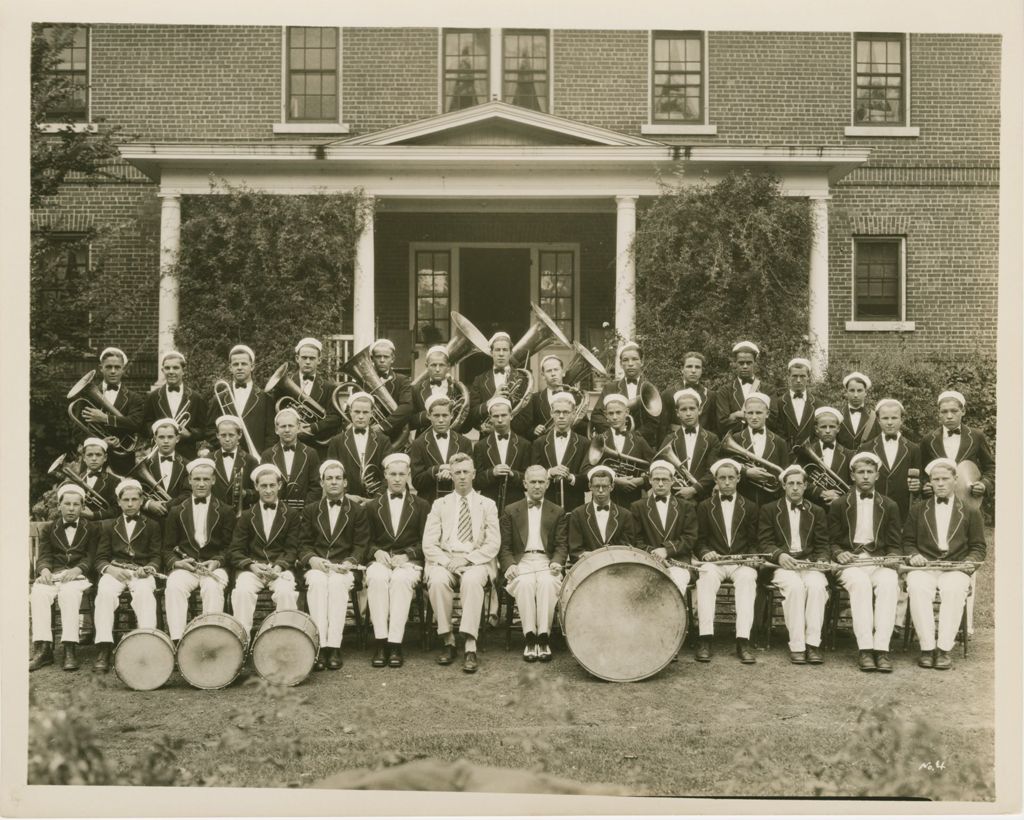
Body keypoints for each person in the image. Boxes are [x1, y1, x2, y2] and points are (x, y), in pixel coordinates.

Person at [903, 458, 987, 671]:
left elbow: (978, 547)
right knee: (917, 586)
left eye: (945, 479)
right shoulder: (917, 509)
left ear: (955, 480)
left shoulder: (970, 510)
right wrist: (913, 555)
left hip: (956, 566)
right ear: (929, 482)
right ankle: (927, 648)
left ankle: (943, 649)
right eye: (935, 479)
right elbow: (908, 542)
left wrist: (969, 563)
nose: (940, 484)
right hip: (926, 567)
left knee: (955, 588)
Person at [421, 453, 500, 674]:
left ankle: (470, 644)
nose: (462, 477)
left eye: (466, 472)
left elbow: (494, 544)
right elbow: (429, 544)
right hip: (446, 560)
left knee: (473, 581)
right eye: (458, 473)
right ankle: (448, 640)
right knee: (436, 581)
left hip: (475, 560)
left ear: (474, 474)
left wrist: (466, 560)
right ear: (451, 476)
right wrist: (449, 562)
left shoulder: (488, 505)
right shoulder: (439, 504)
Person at [828, 451, 903, 672]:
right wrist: (839, 553)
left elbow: (895, 543)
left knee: (890, 583)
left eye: (870, 472)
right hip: (850, 563)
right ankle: (865, 649)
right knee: (860, 584)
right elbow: (830, 541)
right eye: (861, 472)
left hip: (878, 561)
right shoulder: (840, 504)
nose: (866, 477)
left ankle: (882, 649)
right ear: (852, 476)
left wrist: (891, 557)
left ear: (877, 476)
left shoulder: (889, 505)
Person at [297, 460, 369, 671]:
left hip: (344, 568)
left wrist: (350, 562)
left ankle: (335, 646)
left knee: (337, 584)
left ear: (346, 482)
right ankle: (319, 645)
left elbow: (361, 544)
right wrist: (312, 560)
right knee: (318, 583)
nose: (334, 482)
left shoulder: (356, 510)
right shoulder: (311, 510)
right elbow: (303, 544)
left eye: (338, 478)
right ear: (322, 483)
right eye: (329, 478)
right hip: (319, 567)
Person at [363, 453, 431, 668]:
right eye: (393, 474)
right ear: (385, 475)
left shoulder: (421, 505)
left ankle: (395, 643)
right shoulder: (373, 506)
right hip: (382, 560)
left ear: (409, 475)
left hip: (409, 562)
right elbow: (365, 541)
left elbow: (426, 542)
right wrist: (375, 552)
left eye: (402, 474)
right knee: (376, 577)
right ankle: (380, 641)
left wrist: (408, 555)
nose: (397, 479)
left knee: (401, 580)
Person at [757, 465, 829, 664]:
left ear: (806, 486)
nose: (795, 488)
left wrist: (822, 559)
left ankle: (813, 644)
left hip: (809, 563)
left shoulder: (818, 511)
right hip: (782, 565)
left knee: (817, 587)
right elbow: (764, 542)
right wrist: (779, 556)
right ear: (784, 486)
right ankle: (797, 645)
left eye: (799, 484)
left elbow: (823, 544)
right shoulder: (770, 509)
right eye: (791, 484)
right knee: (795, 588)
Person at [693, 459, 761, 664]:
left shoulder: (750, 506)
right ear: (715, 480)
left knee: (748, 579)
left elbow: (755, 541)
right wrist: (705, 553)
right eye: (722, 478)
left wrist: (751, 556)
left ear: (739, 479)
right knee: (705, 577)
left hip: (741, 563)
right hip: (715, 562)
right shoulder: (705, 506)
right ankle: (705, 638)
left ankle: (743, 640)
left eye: (731, 477)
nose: (727, 482)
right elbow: (699, 540)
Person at [91, 478, 163, 672]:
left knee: (145, 593)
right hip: (116, 571)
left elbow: (157, 556)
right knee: (104, 593)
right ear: (119, 502)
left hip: (140, 572)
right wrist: (111, 570)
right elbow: (100, 558)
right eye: (126, 500)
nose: (130, 504)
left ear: (141, 501)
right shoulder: (108, 526)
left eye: (134, 499)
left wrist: (148, 568)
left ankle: (148, 644)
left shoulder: (153, 525)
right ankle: (104, 647)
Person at [162, 457, 235, 644]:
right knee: (174, 586)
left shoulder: (226, 511)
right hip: (186, 567)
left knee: (212, 587)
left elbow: (231, 547)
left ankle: (209, 640)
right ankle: (178, 641)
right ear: (189, 481)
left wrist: (217, 561)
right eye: (197, 479)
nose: (201, 484)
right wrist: (177, 563)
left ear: (213, 480)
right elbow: (167, 548)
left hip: (214, 567)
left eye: (205, 479)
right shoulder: (176, 511)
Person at [499, 466, 569, 662]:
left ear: (547, 484)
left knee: (547, 583)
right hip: (521, 561)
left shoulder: (557, 511)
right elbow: (504, 546)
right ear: (525, 483)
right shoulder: (511, 510)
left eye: (541, 482)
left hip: (546, 561)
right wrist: (510, 565)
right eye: (533, 482)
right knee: (525, 583)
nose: (537, 486)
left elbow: (562, 545)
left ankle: (543, 637)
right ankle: (530, 637)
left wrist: (557, 562)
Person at [29, 484, 98, 672]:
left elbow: (91, 556)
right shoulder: (49, 528)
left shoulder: (91, 528)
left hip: (79, 576)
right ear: (59, 506)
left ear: (82, 507)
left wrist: (78, 569)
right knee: (39, 592)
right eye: (67, 503)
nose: (71, 508)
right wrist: (43, 570)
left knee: (69, 593)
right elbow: (44, 556)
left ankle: (69, 648)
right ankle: (43, 649)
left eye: (76, 504)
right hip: (54, 574)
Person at [228, 463, 300, 635]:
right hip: (253, 570)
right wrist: (252, 566)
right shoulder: (246, 516)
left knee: (286, 592)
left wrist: (278, 566)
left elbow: (292, 549)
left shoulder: (291, 514)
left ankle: (285, 638)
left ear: (280, 485)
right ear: (256, 487)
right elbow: (235, 550)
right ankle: (242, 638)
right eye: (264, 486)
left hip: (280, 570)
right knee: (242, 592)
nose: (268, 490)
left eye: (272, 485)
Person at [630, 460, 698, 596]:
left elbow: (690, 538)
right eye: (656, 479)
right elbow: (635, 540)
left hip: (678, 562)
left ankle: (671, 616)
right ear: (649, 480)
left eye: (665, 480)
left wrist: (667, 550)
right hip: (648, 561)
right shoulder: (637, 507)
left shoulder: (686, 506)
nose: (660, 484)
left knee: (674, 581)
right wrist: (655, 554)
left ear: (672, 480)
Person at [78, 347, 144, 475]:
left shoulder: (134, 397)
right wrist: (100, 443)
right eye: (108, 367)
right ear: (101, 368)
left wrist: (105, 419)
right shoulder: (86, 396)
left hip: (123, 461)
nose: (113, 371)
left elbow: (136, 424)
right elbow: (78, 431)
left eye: (117, 367)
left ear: (123, 369)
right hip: (93, 460)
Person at [919, 390, 995, 499]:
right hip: (937, 501)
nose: (949, 416)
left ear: (963, 411)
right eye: (944, 411)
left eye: (954, 411)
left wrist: (984, 484)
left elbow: (990, 467)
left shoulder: (976, 436)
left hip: (969, 501)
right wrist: (925, 485)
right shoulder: (928, 440)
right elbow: (921, 471)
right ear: (939, 413)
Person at [589, 341, 660, 448]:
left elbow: (654, 422)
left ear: (642, 362)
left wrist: (634, 436)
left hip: (641, 444)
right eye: (625, 360)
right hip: (613, 443)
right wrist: (614, 431)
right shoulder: (610, 387)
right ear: (621, 364)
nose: (630, 364)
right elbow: (596, 416)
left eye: (635, 359)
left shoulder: (650, 389)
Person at [206, 343, 274, 454]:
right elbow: (210, 430)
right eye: (235, 364)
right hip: (226, 457)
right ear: (230, 368)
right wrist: (226, 446)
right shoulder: (219, 398)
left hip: (258, 458)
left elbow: (271, 434)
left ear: (252, 366)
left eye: (244, 364)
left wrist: (265, 456)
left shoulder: (265, 398)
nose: (239, 368)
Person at [862, 398, 922, 521]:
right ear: (878, 420)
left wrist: (918, 486)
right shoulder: (866, 448)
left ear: (902, 420)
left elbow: (919, 482)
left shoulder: (913, 449)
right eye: (885, 418)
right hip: (872, 511)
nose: (889, 422)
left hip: (902, 513)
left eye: (894, 418)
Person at [528, 391, 589, 511]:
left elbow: (588, 481)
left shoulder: (584, 443)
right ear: (551, 413)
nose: (561, 416)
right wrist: (549, 473)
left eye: (566, 412)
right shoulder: (539, 443)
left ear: (573, 414)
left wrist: (571, 477)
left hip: (574, 507)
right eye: (557, 412)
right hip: (545, 506)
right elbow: (530, 476)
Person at [325, 392, 392, 502]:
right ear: (350, 412)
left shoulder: (383, 441)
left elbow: (389, 473)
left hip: (375, 503)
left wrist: (377, 498)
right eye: (357, 412)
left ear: (372, 413)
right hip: (346, 501)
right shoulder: (337, 441)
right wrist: (344, 495)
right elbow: (330, 474)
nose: (361, 416)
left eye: (365, 412)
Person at [592, 393, 655, 508]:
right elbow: (587, 469)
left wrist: (641, 480)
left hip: (631, 500)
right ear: (606, 415)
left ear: (627, 412)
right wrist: (614, 480)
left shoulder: (638, 440)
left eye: (618, 412)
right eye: (611, 413)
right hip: (604, 500)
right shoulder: (599, 440)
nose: (615, 417)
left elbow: (654, 465)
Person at [142, 350, 208, 460]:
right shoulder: (153, 397)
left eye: (176, 368)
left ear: (183, 371)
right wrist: (157, 431)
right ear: (162, 370)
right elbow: (145, 425)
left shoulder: (196, 398)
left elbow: (205, 429)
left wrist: (191, 434)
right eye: (167, 368)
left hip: (187, 454)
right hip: (158, 454)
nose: (171, 371)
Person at [408, 395, 473, 504]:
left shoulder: (464, 442)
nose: (441, 420)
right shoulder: (418, 444)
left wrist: (452, 473)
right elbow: (416, 482)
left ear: (452, 415)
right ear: (429, 416)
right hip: (429, 502)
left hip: (458, 502)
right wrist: (438, 469)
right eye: (436, 416)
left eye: (445, 415)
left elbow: (471, 477)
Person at [659, 388, 720, 502]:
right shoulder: (669, 439)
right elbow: (662, 468)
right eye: (683, 409)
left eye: (692, 409)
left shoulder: (712, 439)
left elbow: (714, 470)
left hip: (704, 497)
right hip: (677, 497)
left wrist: (694, 489)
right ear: (677, 412)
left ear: (700, 410)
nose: (688, 413)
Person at [473, 396, 530, 514]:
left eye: (504, 415)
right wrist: (491, 473)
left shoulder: (524, 445)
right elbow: (475, 482)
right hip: (488, 506)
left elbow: (529, 480)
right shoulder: (481, 446)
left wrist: (513, 474)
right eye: (495, 416)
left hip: (516, 505)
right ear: (490, 418)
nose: (500, 420)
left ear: (511, 416)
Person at [566, 465, 636, 559]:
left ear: (612, 487)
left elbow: (627, 548)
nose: (600, 490)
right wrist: (585, 556)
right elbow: (575, 550)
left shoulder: (625, 515)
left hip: (617, 565)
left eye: (605, 486)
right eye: (596, 486)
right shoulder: (578, 514)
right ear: (590, 486)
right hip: (588, 566)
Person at [733, 392, 789, 509]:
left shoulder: (779, 442)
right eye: (750, 413)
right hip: (742, 500)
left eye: (759, 413)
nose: (754, 417)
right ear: (745, 414)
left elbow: (784, 474)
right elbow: (728, 467)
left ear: (767, 414)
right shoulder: (735, 439)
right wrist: (746, 472)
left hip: (771, 502)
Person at [260, 407, 322, 511]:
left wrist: (306, 511)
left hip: (303, 513)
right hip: (276, 511)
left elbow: (316, 487)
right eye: (283, 426)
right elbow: (263, 486)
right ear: (276, 430)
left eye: (291, 426)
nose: (287, 430)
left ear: (298, 428)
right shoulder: (268, 455)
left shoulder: (311, 453)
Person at [290, 337, 343, 457]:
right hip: (291, 445)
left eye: (312, 358)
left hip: (319, 448)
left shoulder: (329, 387)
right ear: (297, 359)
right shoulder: (286, 384)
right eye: (304, 357)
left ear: (319, 360)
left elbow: (336, 418)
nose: (308, 361)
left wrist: (312, 428)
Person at [801, 406, 854, 509]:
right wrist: (820, 492)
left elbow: (857, 484)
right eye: (823, 427)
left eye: (832, 427)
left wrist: (841, 498)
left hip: (842, 509)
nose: (828, 431)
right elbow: (795, 479)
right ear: (816, 429)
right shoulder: (805, 453)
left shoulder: (849, 454)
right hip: (812, 507)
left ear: (838, 429)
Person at [137, 418, 190, 518]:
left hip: (177, 518)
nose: (166, 441)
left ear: (177, 438)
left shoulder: (187, 465)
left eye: (170, 437)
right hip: (149, 519)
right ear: (155, 439)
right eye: (161, 437)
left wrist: (166, 505)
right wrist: (148, 504)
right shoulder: (144, 464)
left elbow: (188, 493)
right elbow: (134, 489)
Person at [410, 345, 468, 436]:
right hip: (424, 440)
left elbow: (466, 426)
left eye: (441, 365)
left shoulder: (458, 390)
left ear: (448, 366)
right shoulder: (416, 389)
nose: (437, 369)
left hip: (453, 439)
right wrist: (430, 414)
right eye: (433, 365)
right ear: (426, 366)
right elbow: (409, 422)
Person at [468, 331, 519, 434]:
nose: (501, 354)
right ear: (491, 353)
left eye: (505, 350)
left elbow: (527, 416)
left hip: (516, 439)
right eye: (497, 350)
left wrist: (500, 429)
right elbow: (472, 414)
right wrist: (491, 401)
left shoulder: (522, 378)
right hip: (486, 439)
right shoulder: (479, 380)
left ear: (511, 352)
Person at [657, 351, 714, 441]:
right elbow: (662, 428)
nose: (693, 371)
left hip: (702, 443)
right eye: (689, 366)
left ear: (702, 370)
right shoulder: (667, 394)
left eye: (697, 367)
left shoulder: (710, 395)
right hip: (675, 442)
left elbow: (713, 428)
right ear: (682, 369)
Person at [208, 415, 260, 511]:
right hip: (214, 513)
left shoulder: (250, 461)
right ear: (217, 435)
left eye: (231, 435)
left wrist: (245, 493)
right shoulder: (209, 459)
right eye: (223, 435)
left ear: (239, 435)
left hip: (240, 516)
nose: (227, 439)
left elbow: (258, 492)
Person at [367, 338, 413, 441]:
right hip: (366, 435)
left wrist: (382, 426)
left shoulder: (402, 380)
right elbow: (351, 406)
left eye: (386, 357)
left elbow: (407, 407)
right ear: (372, 358)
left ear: (392, 359)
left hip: (393, 435)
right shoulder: (363, 381)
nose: (382, 360)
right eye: (378, 356)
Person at [714, 341, 764, 437]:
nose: (745, 366)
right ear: (735, 364)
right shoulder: (724, 391)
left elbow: (771, 420)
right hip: (735, 443)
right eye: (741, 363)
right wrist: (756, 419)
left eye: (749, 363)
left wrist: (735, 415)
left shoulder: (767, 389)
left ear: (755, 363)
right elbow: (722, 424)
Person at [769, 357, 819, 445]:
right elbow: (775, 431)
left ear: (808, 378)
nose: (798, 380)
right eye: (795, 376)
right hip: (786, 454)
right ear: (788, 377)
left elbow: (820, 433)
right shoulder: (778, 404)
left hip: (811, 456)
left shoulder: (818, 404)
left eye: (802, 376)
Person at [75, 437, 119, 520]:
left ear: (105, 458)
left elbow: (116, 510)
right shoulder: (76, 479)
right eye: (90, 455)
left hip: (102, 527)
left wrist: (94, 515)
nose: (94, 458)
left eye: (98, 455)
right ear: (84, 457)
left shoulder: (114, 481)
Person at [836, 372, 878, 451]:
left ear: (865, 393)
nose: (855, 395)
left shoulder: (874, 417)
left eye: (859, 391)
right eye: (852, 390)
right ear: (846, 392)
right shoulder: (837, 416)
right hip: (844, 462)